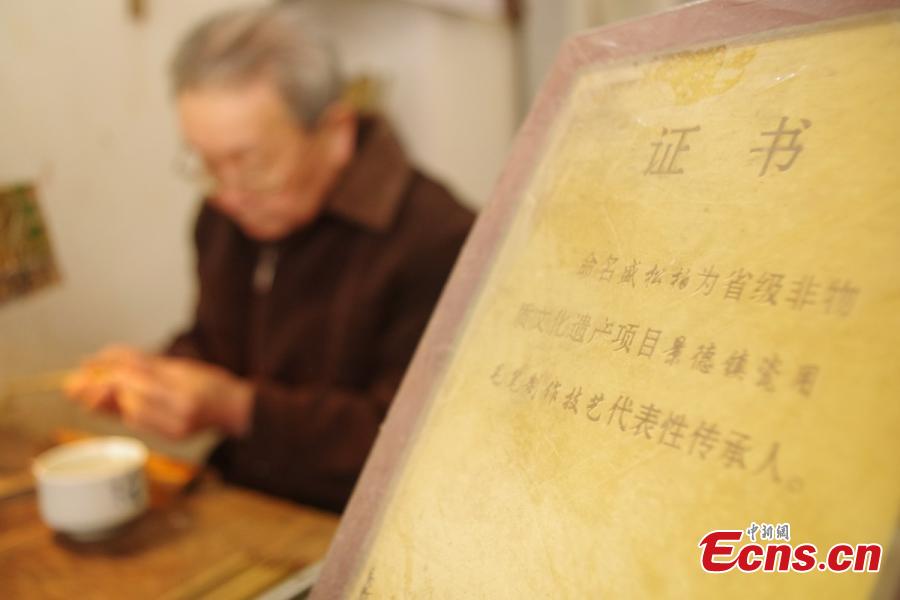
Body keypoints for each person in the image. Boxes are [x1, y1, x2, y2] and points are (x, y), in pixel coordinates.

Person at [64, 3, 474, 513]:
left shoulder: (438, 238)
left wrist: (237, 409)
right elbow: (221, 343)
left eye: (249, 162)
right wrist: (158, 374)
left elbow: (420, 440)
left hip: (365, 520)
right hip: (247, 498)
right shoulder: (225, 218)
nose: (228, 193)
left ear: (335, 131)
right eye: (208, 163)